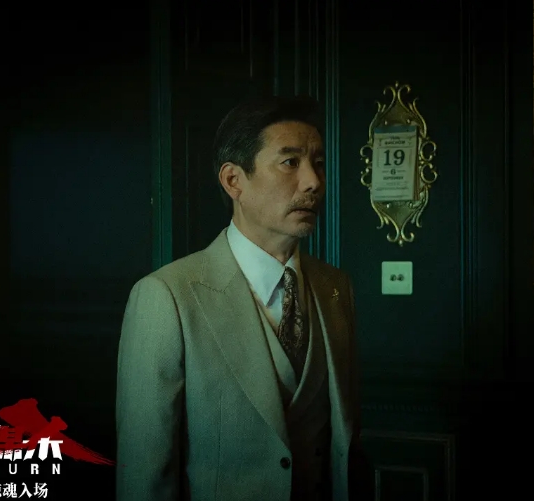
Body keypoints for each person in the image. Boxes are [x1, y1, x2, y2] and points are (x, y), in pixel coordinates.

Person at [116, 95, 368, 500]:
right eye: (290, 162)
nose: (313, 182)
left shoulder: (335, 288)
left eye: (318, 163)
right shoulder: (166, 296)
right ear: (234, 180)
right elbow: (146, 472)